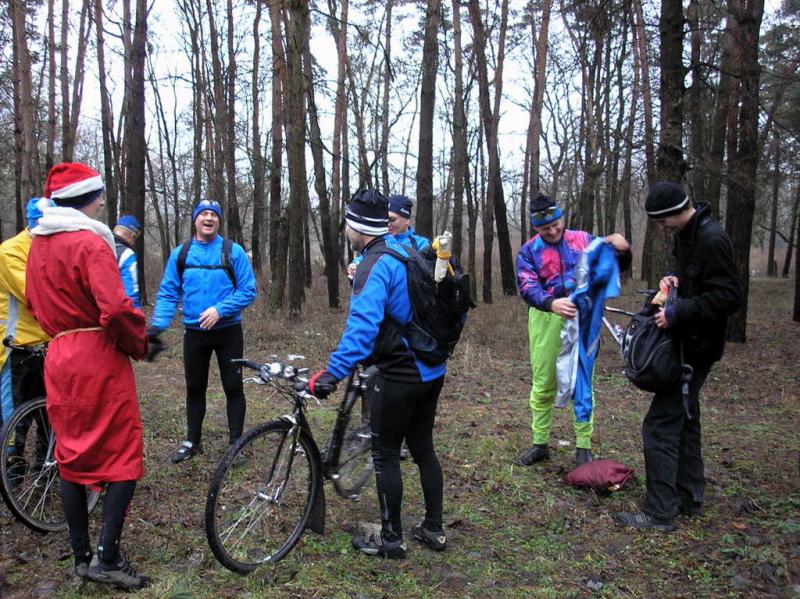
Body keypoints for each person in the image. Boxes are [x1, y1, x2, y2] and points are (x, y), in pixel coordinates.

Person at [25, 162, 150, 590]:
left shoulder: (38, 245)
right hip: (96, 355)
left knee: (71, 455)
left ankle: (82, 557)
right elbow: (115, 308)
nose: (102, 202)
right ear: (90, 198)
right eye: (99, 196)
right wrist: (140, 342)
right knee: (123, 455)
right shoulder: (91, 244)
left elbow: (33, 302)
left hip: (58, 354)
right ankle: (108, 557)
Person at [308, 188, 447, 559]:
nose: (345, 231)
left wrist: (332, 373)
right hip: (432, 369)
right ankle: (434, 529)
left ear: (357, 227)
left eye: (347, 224)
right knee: (423, 449)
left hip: (401, 373)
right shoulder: (405, 250)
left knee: (386, 454)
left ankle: (391, 539)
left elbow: (363, 329)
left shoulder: (375, 263)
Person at [614, 181, 741, 532]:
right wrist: (674, 283)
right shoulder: (689, 235)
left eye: (660, 221)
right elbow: (699, 284)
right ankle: (688, 496)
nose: (660, 228)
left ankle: (659, 511)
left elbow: (729, 297)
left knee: (660, 426)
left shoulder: (711, 239)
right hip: (687, 345)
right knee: (686, 420)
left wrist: (677, 313)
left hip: (695, 350)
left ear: (672, 213)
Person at [515, 193, 631, 466]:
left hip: (584, 319)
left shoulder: (584, 240)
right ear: (536, 228)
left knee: (583, 381)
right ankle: (540, 442)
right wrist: (551, 303)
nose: (553, 231)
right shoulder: (529, 251)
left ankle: (583, 446)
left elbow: (611, 264)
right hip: (547, 321)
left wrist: (622, 249)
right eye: (546, 228)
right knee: (544, 382)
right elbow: (526, 285)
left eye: (556, 224)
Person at [149, 199, 256, 463]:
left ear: (218, 221)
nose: (208, 219)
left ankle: (235, 444)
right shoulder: (182, 253)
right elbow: (168, 292)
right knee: (194, 387)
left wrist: (220, 309)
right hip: (195, 333)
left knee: (233, 386)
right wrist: (157, 325)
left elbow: (248, 290)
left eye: (213, 215)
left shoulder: (233, 251)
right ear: (195, 220)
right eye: (204, 214)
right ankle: (192, 441)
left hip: (228, 331)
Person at [0, 198, 52, 428]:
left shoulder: (52, 247)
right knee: (14, 420)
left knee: (50, 418)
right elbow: (33, 293)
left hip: (49, 346)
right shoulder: (10, 251)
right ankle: (12, 463)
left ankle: (47, 463)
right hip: (17, 348)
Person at [347, 194, 429, 281]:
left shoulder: (421, 244)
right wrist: (355, 264)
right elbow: (366, 255)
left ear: (407, 221)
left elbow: (426, 273)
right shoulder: (378, 240)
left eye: (392, 220)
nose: (388, 224)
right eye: (386, 220)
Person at [113, 215, 143, 308]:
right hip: (114, 312)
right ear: (132, 236)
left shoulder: (98, 245)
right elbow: (130, 292)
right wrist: (136, 317)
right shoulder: (127, 254)